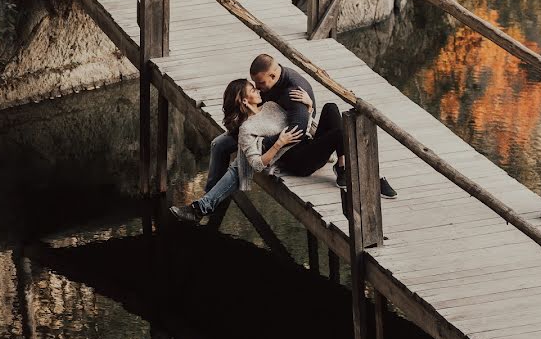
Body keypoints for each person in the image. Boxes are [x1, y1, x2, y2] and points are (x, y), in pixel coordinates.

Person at [249, 54, 397, 198]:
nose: (257, 87)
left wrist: (308, 109)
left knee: (331, 108)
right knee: (340, 133)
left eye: (260, 83)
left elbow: (297, 132)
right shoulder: (271, 85)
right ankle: (357, 171)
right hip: (295, 159)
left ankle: (344, 165)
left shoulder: (294, 91)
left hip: (302, 157)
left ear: (273, 76)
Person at [170, 79, 304, 222]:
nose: (258, 90)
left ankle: (202, 207)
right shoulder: (250, 120)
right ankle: (210, 197)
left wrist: (307, 106)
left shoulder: (271, 101)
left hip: (276, 145)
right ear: (244, 101)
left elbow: (258, 162)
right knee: (218, 144)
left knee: (239, 164)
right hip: (258, 131)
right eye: (253, 90)